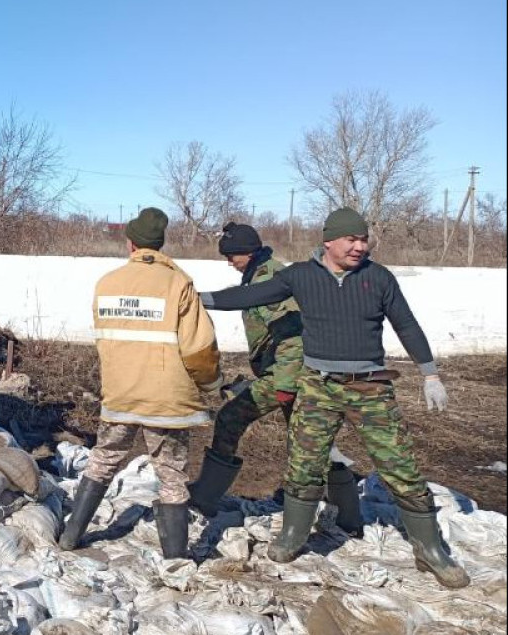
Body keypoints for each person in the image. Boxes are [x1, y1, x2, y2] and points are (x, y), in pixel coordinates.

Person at [200, 207, 468, 588]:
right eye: (351, 240)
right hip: (318, 386)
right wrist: (193, 298)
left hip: (371, 387)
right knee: (304, 463)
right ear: (329, 241)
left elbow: (405, 323)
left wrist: (430, 373)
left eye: (363, 239)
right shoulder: (301, 276)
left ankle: (430, 550)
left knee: (400, 467)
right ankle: (293, 536)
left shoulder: (378, 278)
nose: (359, 247)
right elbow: (248, 296)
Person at [58, 208, 224, 558]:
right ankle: (176, 559)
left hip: (121, 394)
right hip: (166, 402)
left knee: (103, 459)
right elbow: (199, 347)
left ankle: (70, 538)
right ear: (161, 244)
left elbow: (107, 340)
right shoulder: (178, 282)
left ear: (130, 243)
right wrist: (212, 386)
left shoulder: (107, 282)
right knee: (171, 476)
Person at [187, 224, 364, 535]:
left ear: (249, 252)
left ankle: (204, 497)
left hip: (291, 374)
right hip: (293, 374)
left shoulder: (270, 277)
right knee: (312, 441)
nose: (230, 262)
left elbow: (295, 335)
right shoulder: (261, 272)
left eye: (232, 256)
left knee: (230, 417)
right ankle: (349, 517)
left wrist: (282, 385)